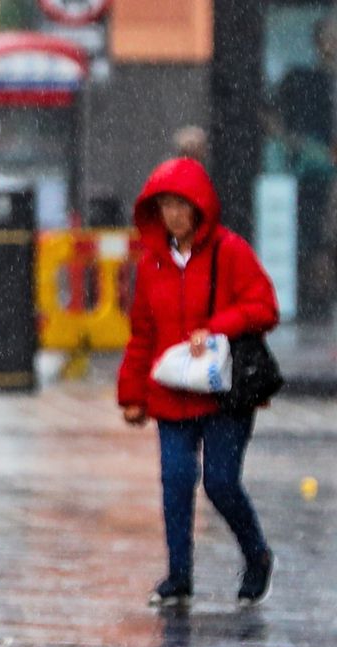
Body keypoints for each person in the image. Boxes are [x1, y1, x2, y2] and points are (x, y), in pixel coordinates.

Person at [117, 157, 279, 611]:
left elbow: (264, 306)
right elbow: (142, 334)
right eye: (165, 205)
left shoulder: (230, 252)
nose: (174, 215)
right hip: (172, 397)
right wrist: (132, 396)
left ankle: (257, 556)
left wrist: (218, 326)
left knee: (221, 483)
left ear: (200, 207)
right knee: (175, 481)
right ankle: (179, 577)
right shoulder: (151, 264)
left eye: (182, 205)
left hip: (224, 394)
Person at [270, 15, 337, 324]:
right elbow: (265, 112)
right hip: (312, 177)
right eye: (329, 38)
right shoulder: (302, 80)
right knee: (314, 241)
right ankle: (314, 304)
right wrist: (293, 143)